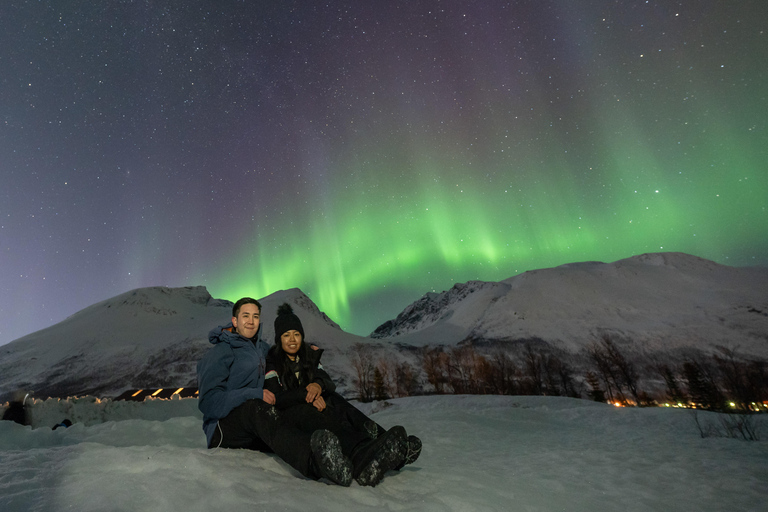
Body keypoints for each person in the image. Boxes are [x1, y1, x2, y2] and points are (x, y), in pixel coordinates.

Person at [196, 297, 353, 486]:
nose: (251, 321)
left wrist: (308, 353)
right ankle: (315, 464)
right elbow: (208, 402)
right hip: (223, 428)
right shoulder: (220, 352)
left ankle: (347, 452)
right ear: (235, 321)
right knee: (256, 407)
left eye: (255, 316)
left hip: (254, 425)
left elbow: (284, 354)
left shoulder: (262, 348)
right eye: (245, 316)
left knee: (290, 411)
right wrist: (252, 393)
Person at [265, 303, 421, 486]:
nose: (292, 339)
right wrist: (307, 396)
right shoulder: (272, 361)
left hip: (316, 402)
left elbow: (326, 380)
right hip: (293, 414)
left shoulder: (309, 355)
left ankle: (391, 447)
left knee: (337, 401)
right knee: (315, 415)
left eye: (296, 334)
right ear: (279, 338)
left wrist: (317, 385)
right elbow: (276, 396)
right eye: (286, 335)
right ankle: (361, 456)